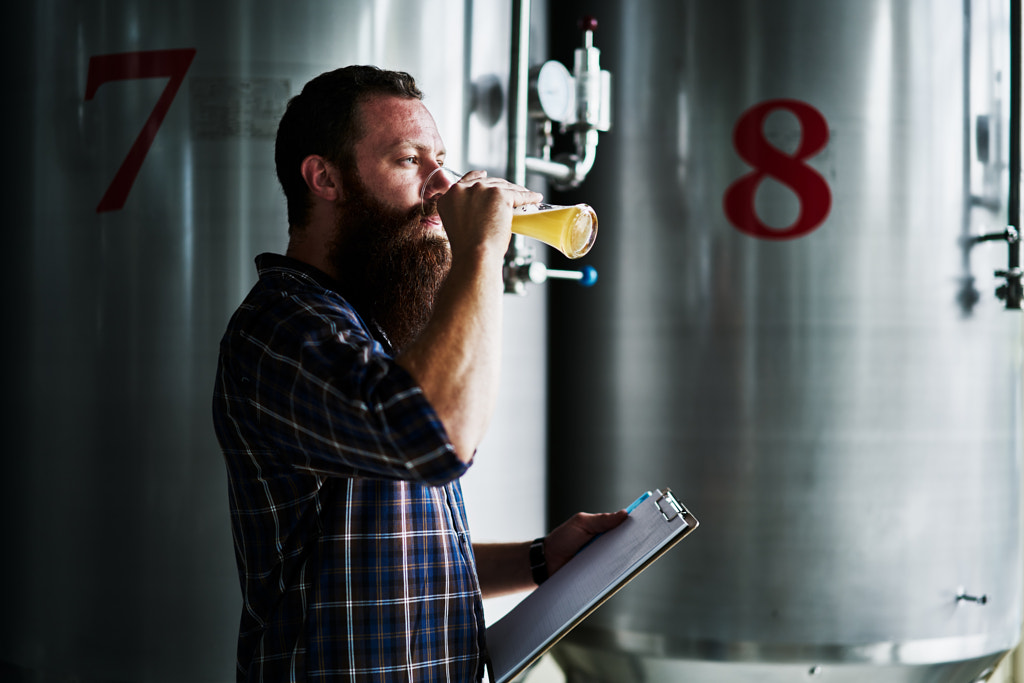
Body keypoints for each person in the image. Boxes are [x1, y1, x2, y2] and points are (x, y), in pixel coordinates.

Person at [212, 65, 626, 682]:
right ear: (324, 178)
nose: (443, 185)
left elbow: (390, 565)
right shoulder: (284, 329)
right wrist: (481, 251)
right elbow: (439, 439)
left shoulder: (367, 328)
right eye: (410, 160)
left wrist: (539, 560)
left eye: (442, 160)